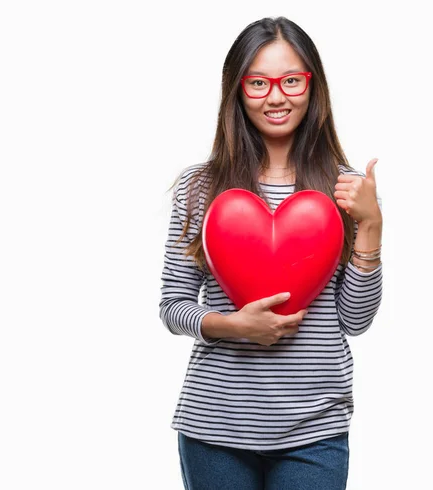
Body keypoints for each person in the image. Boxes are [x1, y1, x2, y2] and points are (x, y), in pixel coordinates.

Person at [159, 16, 383, 490]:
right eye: (258, 82)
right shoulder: (200, 188)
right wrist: (231, 325)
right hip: (215, 428)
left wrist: (371, 227)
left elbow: (355, 321)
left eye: (291, 80)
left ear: (312, 86)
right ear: (237, 90)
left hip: (315, 430)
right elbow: (173, 305)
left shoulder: (346, 189)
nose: (276, 97)